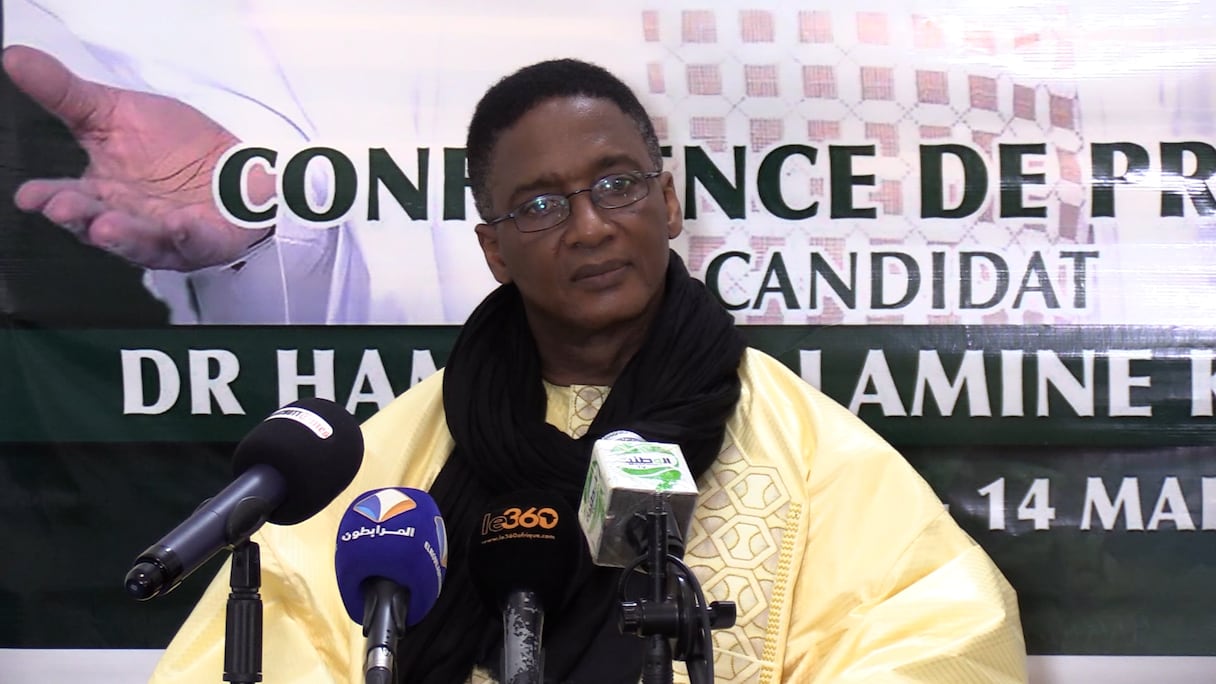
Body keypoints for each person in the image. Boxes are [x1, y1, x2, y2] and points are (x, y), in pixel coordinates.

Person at [148, 57, 1026, 683]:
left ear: (668, 202)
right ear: (494, 251)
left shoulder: (809, 450)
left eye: (617, 185)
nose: (592, 227)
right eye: (540, 204)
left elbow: (943, 637)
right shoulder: (396, 459)